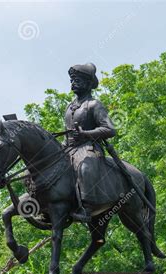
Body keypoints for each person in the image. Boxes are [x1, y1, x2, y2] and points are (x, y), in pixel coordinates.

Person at [64, 63, 116, 223]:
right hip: (68, 148)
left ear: (87, 83)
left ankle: (86, 208)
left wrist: (86, 134)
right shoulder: (69, 106)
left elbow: (109, 129)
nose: (73, 83)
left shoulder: (94, 105)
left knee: (85, 166)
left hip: (88, 148)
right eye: (72, 80)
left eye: (77, 80)